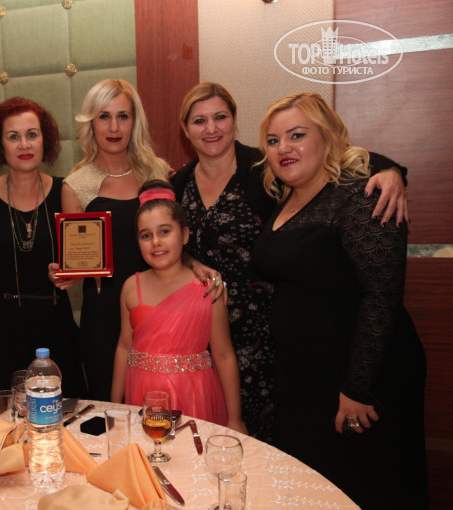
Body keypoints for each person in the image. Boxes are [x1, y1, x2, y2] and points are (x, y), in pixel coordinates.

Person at [171, 82, 409, 441]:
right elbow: (170, 242)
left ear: (234, 120)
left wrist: (392, 170)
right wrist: (191, 263)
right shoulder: (179, 183)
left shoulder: (264, 170)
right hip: (211, 336)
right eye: (199, 120)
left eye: (220, 117)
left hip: (267, 340)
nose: (211, 128)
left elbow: (334, 162)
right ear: (185, 129)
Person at [252, 92, 427, 509]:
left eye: (297, 135)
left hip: (360, 376)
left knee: (362, 488)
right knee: (310, 488)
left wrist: (357, 388)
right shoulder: (285, 198)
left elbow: (382, 297)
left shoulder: (362, 195)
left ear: (327, 137)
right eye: (273, 141)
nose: (284, 148)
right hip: (303, 379)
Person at [52, 79, 222, 401]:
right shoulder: (75, 186)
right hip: (104, 314)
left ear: (135, 121)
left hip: (158, 307)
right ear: (91, 123)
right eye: (104, 116)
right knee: (110, 407)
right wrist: (64, 272)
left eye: (123, 116)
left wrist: (194, 263)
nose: (114, 127)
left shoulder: (159, 172)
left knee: (164, 404)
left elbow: (172, 237)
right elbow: (76, 258)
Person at [0, 97, 84, 395]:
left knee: (59, 413)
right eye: (13, 136)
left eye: (32, 134)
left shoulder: (66, 191)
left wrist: (72, 274)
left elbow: (83, 257)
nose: (24, 145)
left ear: (46, 140)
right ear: (0, 144)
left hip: (53, 326)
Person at [111, 181, 245, 433]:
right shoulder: (131, 287)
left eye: (164, 232)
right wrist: (114, 405)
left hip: (195, 396)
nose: (156, 242)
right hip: (142, 395)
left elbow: (224, 355)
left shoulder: (208, 288)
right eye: (146, 235)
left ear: (184, 235)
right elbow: (123, 347)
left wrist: (235, 418)